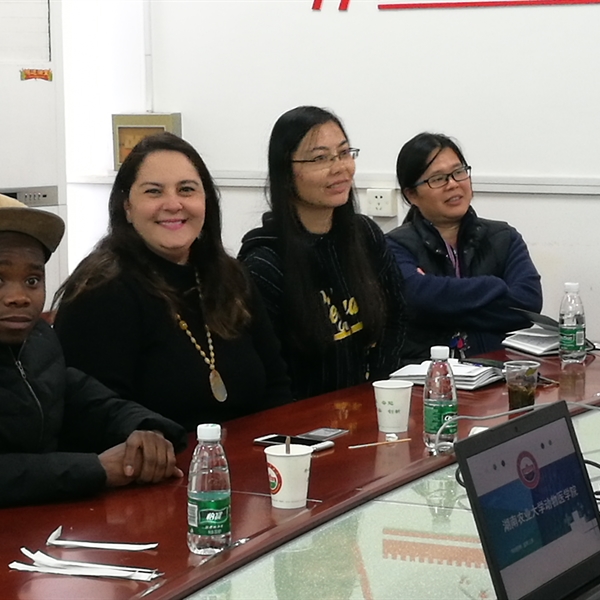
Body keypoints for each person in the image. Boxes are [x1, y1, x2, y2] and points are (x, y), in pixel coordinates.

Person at [54, 133, 291, 431]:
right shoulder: (100, 289)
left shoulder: (231, 276)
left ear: (206, 201)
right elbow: (96, 418)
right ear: (127, 207)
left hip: (250, 453)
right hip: (159, 458)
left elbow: (276, 385)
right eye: (154, 192)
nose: (173, 204)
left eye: (186, 189)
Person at [0, 195, 187, 507]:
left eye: (32, 280)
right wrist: (96, 469)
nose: (19, 297)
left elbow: (89, 401)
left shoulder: (39, 340)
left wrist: (145, 430)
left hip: (41, 521)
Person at [238, 106, 406, 400]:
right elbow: (270, 375)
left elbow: (397, 318)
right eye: (320, 158)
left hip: (368, 405)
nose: (340, 167)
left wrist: (376, 393)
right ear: (286, 171)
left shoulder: (364, 235)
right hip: (300, 420)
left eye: (344, 153)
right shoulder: (264, 263)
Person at [386, 132, 543, 359]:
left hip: (496, 369)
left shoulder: (504, 238)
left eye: (458, 172)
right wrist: (494, 285)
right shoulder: (395, 246)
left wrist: (439, 304)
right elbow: (415, 299)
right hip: (426, 371)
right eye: (438, 179)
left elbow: (527, 305)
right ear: (412, 195)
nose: (453, 184)